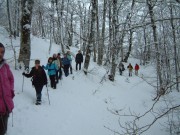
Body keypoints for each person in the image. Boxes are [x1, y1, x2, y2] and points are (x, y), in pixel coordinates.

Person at [0, 43, 15, 135]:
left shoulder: (5, 66)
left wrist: (10, 91)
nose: (0, 54)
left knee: (3, 130)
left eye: (2, 52)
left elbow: (11, 79)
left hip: (6, 106)